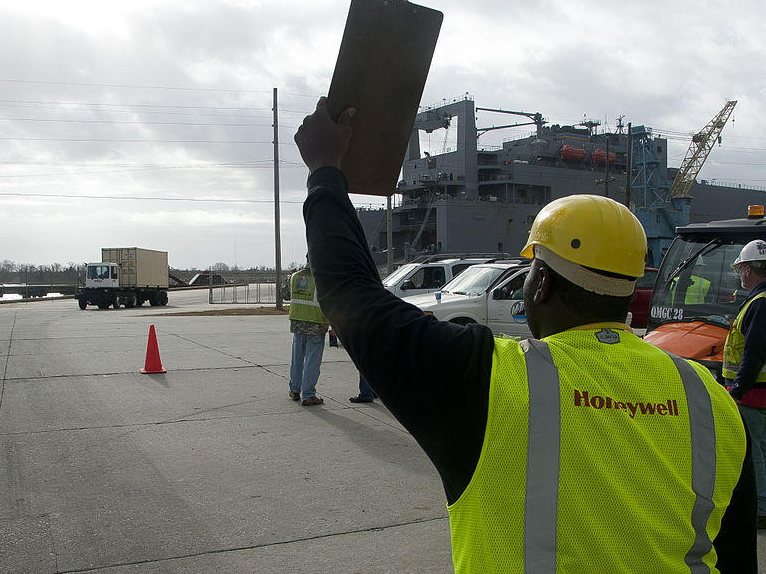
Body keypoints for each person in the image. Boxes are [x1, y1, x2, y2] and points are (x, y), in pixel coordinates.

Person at [294, 98, 756, 572]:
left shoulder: (490, 379)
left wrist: (325, 170)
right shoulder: (711, 401)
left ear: (542, 282)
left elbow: (354, 296)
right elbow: (736, 557)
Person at [724, 239, 766, 527]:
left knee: (754, 454)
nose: (740, 275)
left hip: (752, 393)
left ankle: (761, 508)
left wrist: (737, 389)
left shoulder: (759, 303)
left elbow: (754, 352)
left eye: (741, 269)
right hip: (759, 391)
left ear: (749, 270)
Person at [287, 262, 327, 406]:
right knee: (312, 361)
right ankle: (309, 394)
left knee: (297, 359)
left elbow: (285, 294)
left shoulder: (293, 277)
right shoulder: (322, 278)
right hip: (316, 324)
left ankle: (294, 389)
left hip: (297, 323)